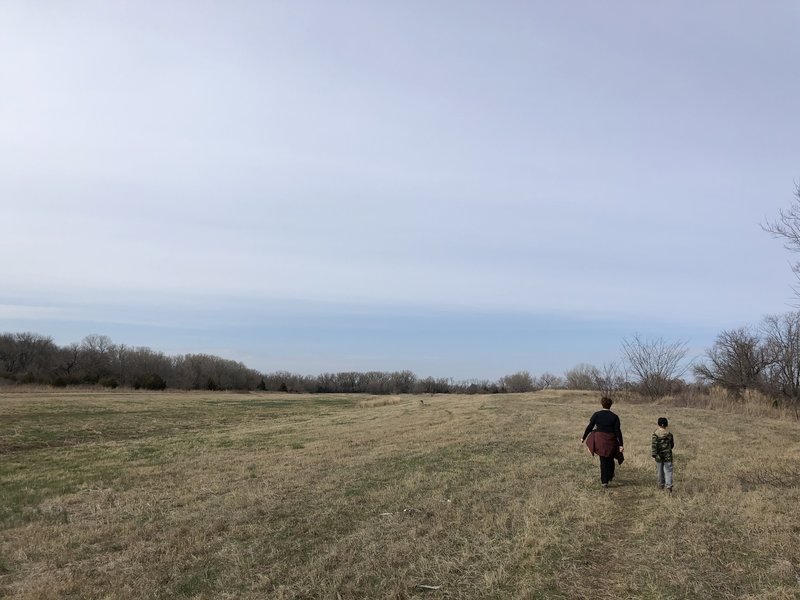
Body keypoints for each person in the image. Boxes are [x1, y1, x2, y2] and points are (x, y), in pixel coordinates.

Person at [581, 396, 624, 488]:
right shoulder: (615, 417)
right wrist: (621, 444)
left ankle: (604, 481)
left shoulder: (597, 414)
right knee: (611, 458)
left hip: (600, 440)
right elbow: (618, 431)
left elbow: (590, 427)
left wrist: (583, 437)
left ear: (602, 404)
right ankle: (610, 475)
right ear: (610, 405)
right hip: (611, 440)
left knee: (603, 460)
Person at [651, 417, 675, 493]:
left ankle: (661, 485)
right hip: (668, 456)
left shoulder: (655, 434)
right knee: (668, 471)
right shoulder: (670, 435)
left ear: (658, 424)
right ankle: (669, 486)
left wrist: (654, 454)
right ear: (666, 425)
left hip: (659, 456)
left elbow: (654, 445)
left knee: (660, 472)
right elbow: (672, 445)